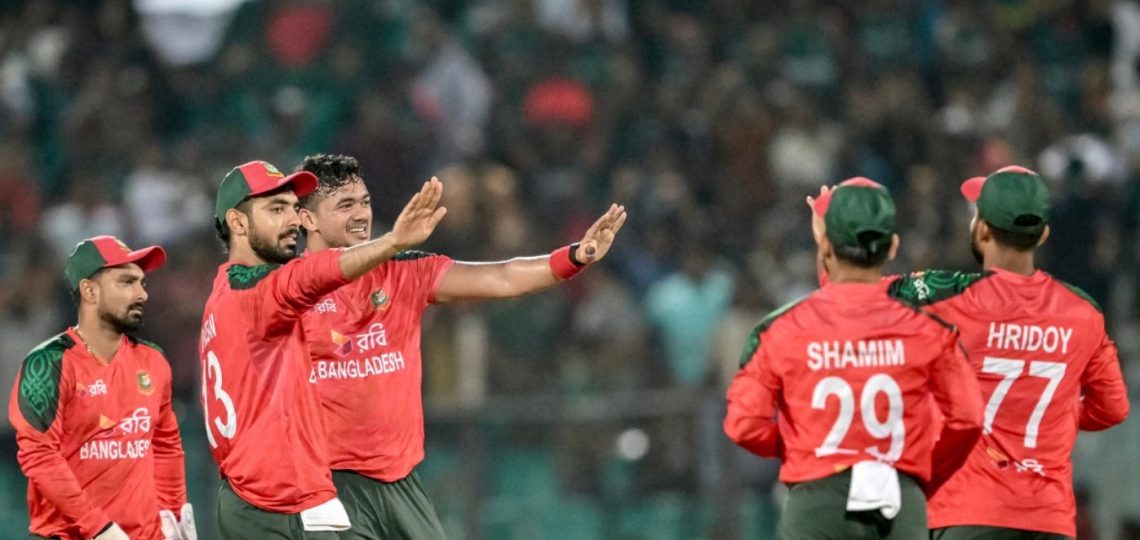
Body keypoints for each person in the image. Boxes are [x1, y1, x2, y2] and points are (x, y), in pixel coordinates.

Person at [293, 153, 626, 539]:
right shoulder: (283, 292)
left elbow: (503, 278)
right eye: (345, 205)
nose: (360, 215)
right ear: (308, 219)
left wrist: (575, 256)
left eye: (364, 202)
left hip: (401, 484)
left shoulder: (403, 273)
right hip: (327, 484)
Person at [853, 166, 1130, 540]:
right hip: (1049, 520)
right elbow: (1113, 408)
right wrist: (1051, 412)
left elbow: (850, 295)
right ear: (1042, 234)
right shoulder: (1083, 312)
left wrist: (833, 230)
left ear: (981, 228)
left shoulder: (950, 296)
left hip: (969, 513)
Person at [725, 178, 984, 539]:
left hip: (815, 501)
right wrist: (923, 471)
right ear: (892, 246)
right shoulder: (929, 332)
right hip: (899, 498)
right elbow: (969, 418)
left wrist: (803, 447)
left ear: (825, 244)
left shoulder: (780, 329)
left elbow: (744, 424)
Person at [200, 160, 446, 539]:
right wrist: (392, 243)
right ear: (238, 222)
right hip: (273, 502)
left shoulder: (226, 293)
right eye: (276, 209)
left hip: (280, 496)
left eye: (292, 208)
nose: (292, 221)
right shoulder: (255, 292)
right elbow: (311, 274)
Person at [7, 235, 194, 540]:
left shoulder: (153, 360)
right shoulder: (49, 363)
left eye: (142, 283)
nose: (141, 294)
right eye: (126, 282)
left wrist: (173, 518)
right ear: (90, 291)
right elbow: (39, 456)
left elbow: (166, 445)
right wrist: (99, 529)